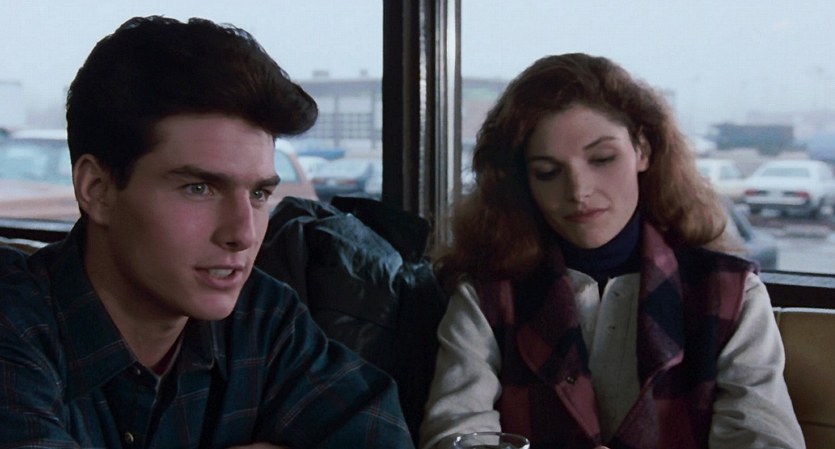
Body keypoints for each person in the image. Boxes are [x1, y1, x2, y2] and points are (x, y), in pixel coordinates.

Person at [0, 16, 413, 448]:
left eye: (258, 193)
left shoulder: (261, 316)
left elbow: (383, 438)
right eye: (199, 188)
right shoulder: (17, 324)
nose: (243, 234)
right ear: (97, 190)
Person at [419, 53, 805, 449]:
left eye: (602, 159)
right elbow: (456, 434)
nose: (578, 190)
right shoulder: (486, 297)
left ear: (643, 150)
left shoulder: (731, 294)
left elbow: (764, 439)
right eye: (548, 172)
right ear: (524, 181)